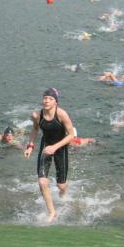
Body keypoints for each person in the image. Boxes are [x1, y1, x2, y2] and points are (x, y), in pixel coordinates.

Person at [24, 87, 76, 222]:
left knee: (61, 186)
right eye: (45, 98)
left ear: (56, 102)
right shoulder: (36, 115)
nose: (46, 101)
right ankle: (52, 212)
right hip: (45, 146)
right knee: (42, 181)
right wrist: (30, 146)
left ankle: (63, 193)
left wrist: (55, 147)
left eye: (50, 98)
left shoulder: (62, 114)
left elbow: (71, 135)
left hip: (60, 148)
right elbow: (35, 129)